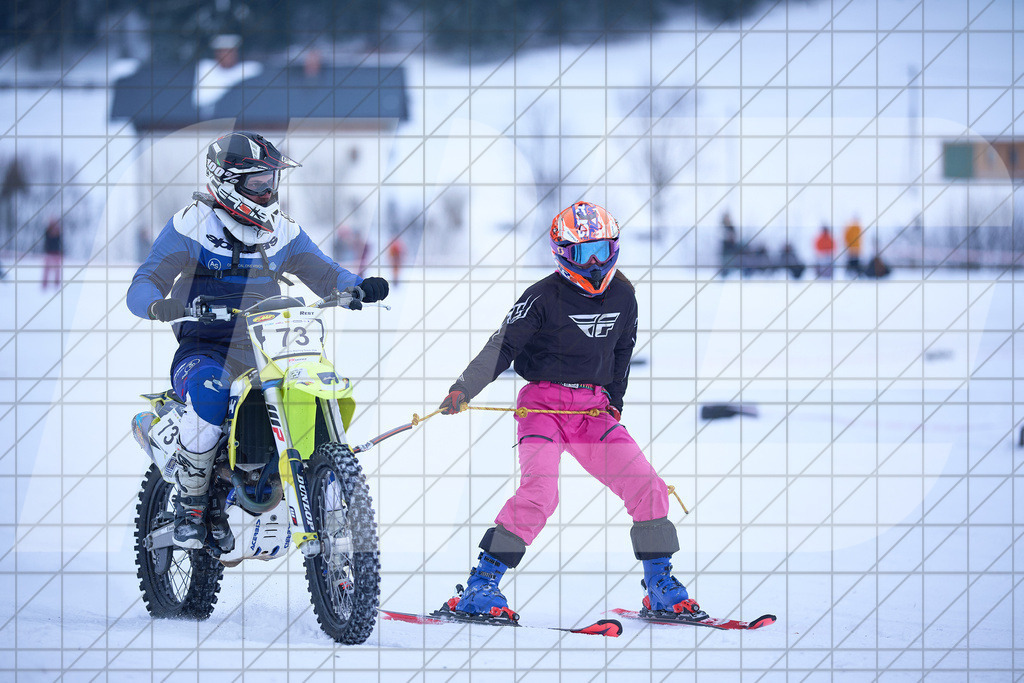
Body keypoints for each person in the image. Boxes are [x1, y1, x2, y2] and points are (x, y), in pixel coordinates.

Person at [436, 201, 705, 623]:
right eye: (583, 253)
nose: (594, 264)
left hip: (593, 413)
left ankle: (660, 588)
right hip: (541, 410)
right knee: (540, 493)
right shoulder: (541, 297)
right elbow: (501, 347)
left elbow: (621, 352)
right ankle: (480, 587)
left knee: (648, 486)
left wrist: (614, 403)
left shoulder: (624, 295)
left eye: (601, 250)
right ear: (562, 253)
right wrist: (463, 388)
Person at [127, 131, 389, 550]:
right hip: (205, 350)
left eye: (271, 181)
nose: (268, 191)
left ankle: (313, 473)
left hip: (272, 348)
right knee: (212, 396)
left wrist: (357, 286)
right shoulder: (190, 224)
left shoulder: (281, 231)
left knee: (315, 387)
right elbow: (145, 281)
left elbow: (324, 273)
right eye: (258, 182)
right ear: (227, 181)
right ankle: (192, 505)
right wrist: (158, 305)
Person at [42, 217, 63, 289]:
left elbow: (60, 242)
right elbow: (46, 240)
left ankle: (56, 283)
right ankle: (45, 283)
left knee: (57, 269)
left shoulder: (58, 231)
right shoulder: (47, 231)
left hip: (56, 253)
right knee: (47, 269)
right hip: (49, 253)